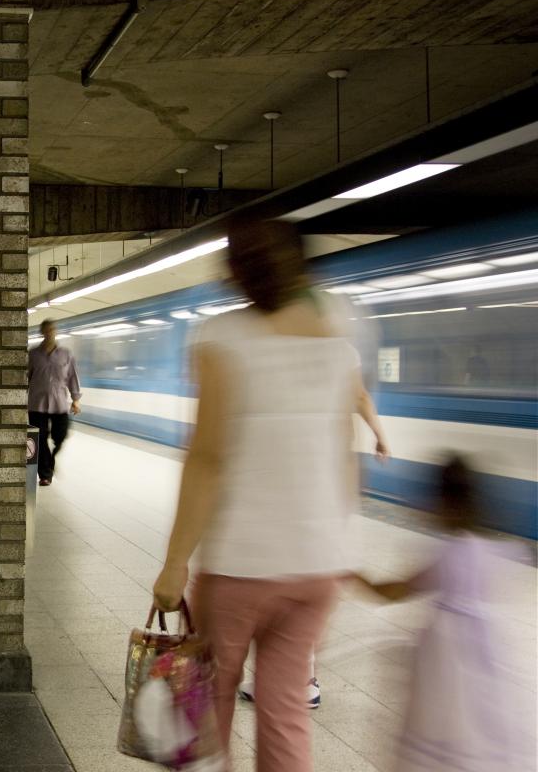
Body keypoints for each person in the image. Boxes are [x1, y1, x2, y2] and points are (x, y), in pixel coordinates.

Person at [152, 219, 363, 772]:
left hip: (241, 565)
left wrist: (174, 563)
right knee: (286, 709)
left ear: (237, 275)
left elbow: (208, 458)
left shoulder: (222, 338)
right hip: (316, 566)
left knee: (208, 707)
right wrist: (340, 546)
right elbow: (344, 453)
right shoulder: (339, 333)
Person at [237, 289, 391, 709]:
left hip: (288, 486)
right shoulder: (342, 353)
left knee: (280, 579)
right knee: (310, 578)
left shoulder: (277, 352)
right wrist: (379, 435)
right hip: (329, 486)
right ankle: (300, 678)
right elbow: (360, 397)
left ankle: (287, 678)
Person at [355, 455, 523, 771]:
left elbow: (391, 592)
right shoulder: (495, 551)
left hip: (444, 660)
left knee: (439, 722)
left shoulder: (448, 555)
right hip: (486, 659)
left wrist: (350, 575)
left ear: (446, 503)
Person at [27, 318, 81, 486]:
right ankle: (45, 474)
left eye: (52, 330)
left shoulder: (66, 354)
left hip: (59, 404)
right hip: (37, 403)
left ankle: (50, 461)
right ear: (42, 332)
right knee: (40, 439)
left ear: (55, 332)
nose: (50, 333)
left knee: (61, 435)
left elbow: (72, 377)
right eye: (47, 330)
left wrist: (76, 400)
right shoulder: (33, 354)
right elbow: (26, 377)